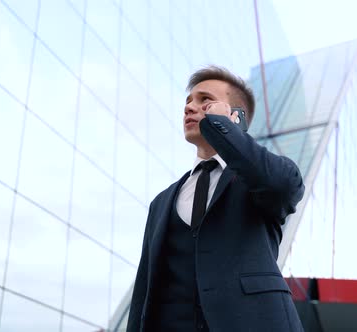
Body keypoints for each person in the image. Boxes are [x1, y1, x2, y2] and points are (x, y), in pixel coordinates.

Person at [126, 66, 305, 331]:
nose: (189, 108)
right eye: (188, 102)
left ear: (236, 116)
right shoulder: (161, 203)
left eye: (204, 100)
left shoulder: (261, 177)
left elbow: (283, 187)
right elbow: (144, 291)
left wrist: (222, 128)